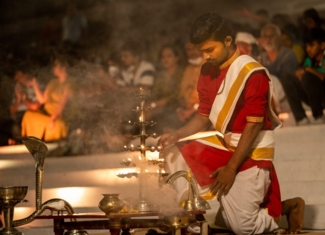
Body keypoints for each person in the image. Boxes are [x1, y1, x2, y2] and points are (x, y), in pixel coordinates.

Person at [158, 13, 304, 234]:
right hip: (225, 144)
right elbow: (203, 114)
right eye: (201, 51)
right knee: (172, 153)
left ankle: (286, 209)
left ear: (227, 41)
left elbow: (253, 125)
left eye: (209, 50)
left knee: (243, 229)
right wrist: (177, 134)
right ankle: (191, 219)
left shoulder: (251, 72)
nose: (205, 56)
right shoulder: (207, 70)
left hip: (252, 151)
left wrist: (231, 169)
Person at [21, 56, 75, 142]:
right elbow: (42, 100)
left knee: (58, 125)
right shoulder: (52, 82)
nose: (53, 68)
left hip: (59, 116)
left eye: (55, 65)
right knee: (28, 115)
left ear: (63, 68)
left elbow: (62, 105)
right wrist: (35, 85)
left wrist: (53, 118)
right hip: (47, 115)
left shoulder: (69, 83)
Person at [291, 28, 325, 124]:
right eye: (306, 46)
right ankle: (301, 118)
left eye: (311, 45)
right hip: (312, 96)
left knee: (308, 77)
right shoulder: (308, 60)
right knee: (288, 79)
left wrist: (309, 71)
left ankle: (318, 115)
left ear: (323, 45)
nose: (308, 49)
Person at [150, 45, 184, 133]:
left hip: (176, 107)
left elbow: (177, 94)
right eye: (163, 56)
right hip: (159, 106)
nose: (165, 59)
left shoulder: (182, 73)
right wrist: (151, 105)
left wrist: (156, 104)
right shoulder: (160, 75)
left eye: (169, 56)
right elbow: (154, 93)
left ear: (177, 58)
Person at [177, 41, 204, 123]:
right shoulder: (188, 69)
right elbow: (181, 95)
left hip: (203, 112)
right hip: (187, 112)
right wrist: (180, 110)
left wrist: (192, 110)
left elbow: (211, 99)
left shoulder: (210, 67)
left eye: (194, 48)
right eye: (189, 50)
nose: (192, 52)